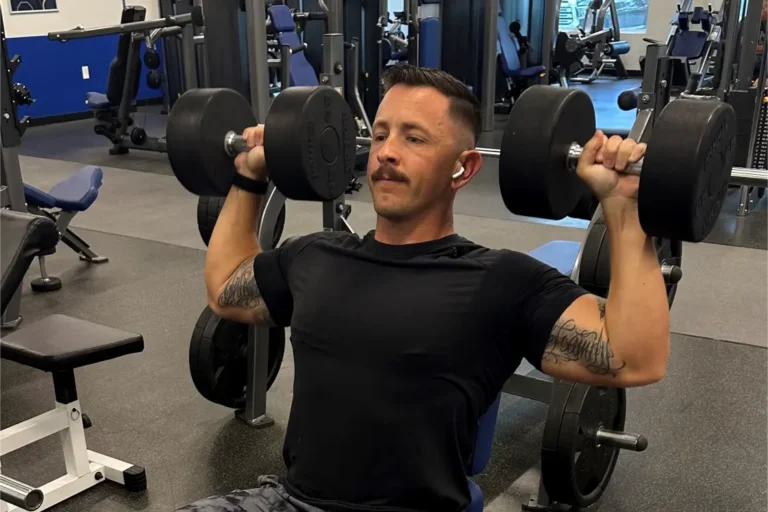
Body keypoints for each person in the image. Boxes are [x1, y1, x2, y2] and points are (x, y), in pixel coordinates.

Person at [179, 65, 670, 512]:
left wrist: (622, 208)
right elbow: (226, 288)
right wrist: (247, 179)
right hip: (293, 501)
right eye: (381, 134)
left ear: (464, 167)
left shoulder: (501, 282)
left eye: (415, 139)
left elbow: (634, 356)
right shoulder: (314, 255)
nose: (388, 152)